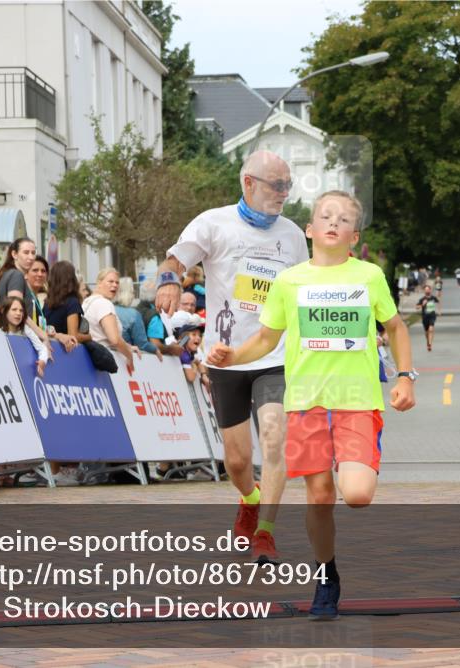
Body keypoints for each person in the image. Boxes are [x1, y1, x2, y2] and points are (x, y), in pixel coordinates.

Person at [207, 190, 416, 620]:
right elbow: (266, 339)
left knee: (356, 494)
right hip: (304, 403)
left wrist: (405, 376)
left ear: (354, 237)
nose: (333, 222)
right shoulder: (289, 281)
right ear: (310, 230)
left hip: (357, 401)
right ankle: (326, 576)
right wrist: (233, 356)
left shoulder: (369, 276)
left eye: (343, 219)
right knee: (320, 495)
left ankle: (329, 563)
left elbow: (395, 327)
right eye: (325, 216)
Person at [154, 150, 310, 562]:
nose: (283, 194)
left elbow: (306, 292)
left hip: (275, 354)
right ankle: (249, 499)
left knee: (275, 438)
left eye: (287, 186)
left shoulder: (293, 236)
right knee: (238, 461)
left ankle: (266, 532)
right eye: (276, 185)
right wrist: (169, 282)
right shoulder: (213, 222)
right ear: (248, 183)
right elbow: (174, 259)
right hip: (227, 357)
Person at [83, 267, 137, 373]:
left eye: (117, 282)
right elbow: (114, 340)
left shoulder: (87, 302)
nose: (115, 285)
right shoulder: (104, 303)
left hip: (90, 359)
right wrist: (129, 355)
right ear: (99, 282)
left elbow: (100, 335)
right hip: (105, 363)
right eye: (110, 281)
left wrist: (127, 346)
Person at [0, 297, 48, 377]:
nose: (18, 313)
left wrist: (42, 361)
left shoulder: (26, 330)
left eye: (21, 310)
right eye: (14, 309)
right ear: (3, 311)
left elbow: (42, 348)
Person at [44, 261, 90, 344]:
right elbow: (73, 336)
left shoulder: (47, 303)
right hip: (67, 351)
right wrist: (89, 336)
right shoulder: (72, 302)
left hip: (51, 347)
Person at [114, 276, 160, 356]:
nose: (134, 294)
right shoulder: (133, 314)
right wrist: (156, 350)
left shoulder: (108, 309)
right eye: (133, 291)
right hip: (127, 358)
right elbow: (142, 344)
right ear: (129, 293)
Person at [416, 284, 440, 352]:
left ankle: (430, 344)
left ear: (430, 290)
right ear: (424, 291)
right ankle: (428, 341)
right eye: (425, 290)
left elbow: (438, 302)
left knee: (431, 329)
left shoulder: (433, 298)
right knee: (427, 332)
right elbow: (416, 307)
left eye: (428, 289)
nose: (427, 291)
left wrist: (439, 311)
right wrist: (422, 305)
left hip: (432, 316)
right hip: (425, 317)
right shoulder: (422, 299)